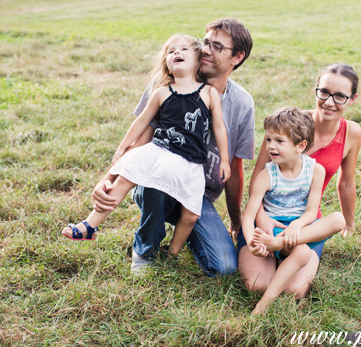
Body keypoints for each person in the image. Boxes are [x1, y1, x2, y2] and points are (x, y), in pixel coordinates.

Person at [91, 18, 255, 277]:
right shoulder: (169, 84)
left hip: (196, 193)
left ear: (237, 57)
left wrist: (236, 224)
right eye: (205, 42)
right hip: (156, 175)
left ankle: (182, 238)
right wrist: (109, 178)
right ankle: (145, 249)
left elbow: (234, 168)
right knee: (157, 180)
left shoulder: (242, 104)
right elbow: (143, 137)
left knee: (223, 267)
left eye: (217, 47)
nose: (206, 50)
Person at [62, 34, 230, 258]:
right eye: (171, 52)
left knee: (190, 216)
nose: (176, 53)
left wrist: (225, 160)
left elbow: (219, 128)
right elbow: (141, 121)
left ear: (198, 59)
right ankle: (88, 225)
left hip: (190, 163)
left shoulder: (208, 93)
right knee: (124, 178)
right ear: (167, 64)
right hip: (159, 151)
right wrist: (123, 147)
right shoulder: (161, 92)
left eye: (183, 50)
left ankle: (171, 252)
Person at [239, 63, 361, 301]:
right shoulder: (287, 125)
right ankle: (272, 247)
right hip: (268, 216)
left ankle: (284, 246)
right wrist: (261, 217)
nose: (329, 102)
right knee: (256, 285)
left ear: (352, 99)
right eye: (324, 92)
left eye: (340, 96)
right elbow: (259, 179)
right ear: (316, 89)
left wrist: (349, 223)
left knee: (294, 291)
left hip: (304, 222)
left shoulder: (352, 133)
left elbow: (346, 182)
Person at [241, 107, 345, 315]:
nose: (271, 146)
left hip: (300, 231)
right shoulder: (267, 175)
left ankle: (262, 306)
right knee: (258, 284)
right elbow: (249, 214)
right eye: (269, 139)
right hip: (272, 229)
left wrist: (296, 225)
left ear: (301, 146)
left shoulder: (315, 170)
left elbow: (311, 211)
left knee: (337, 220)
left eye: (279, 141)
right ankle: (262, 303)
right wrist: (252, 241)